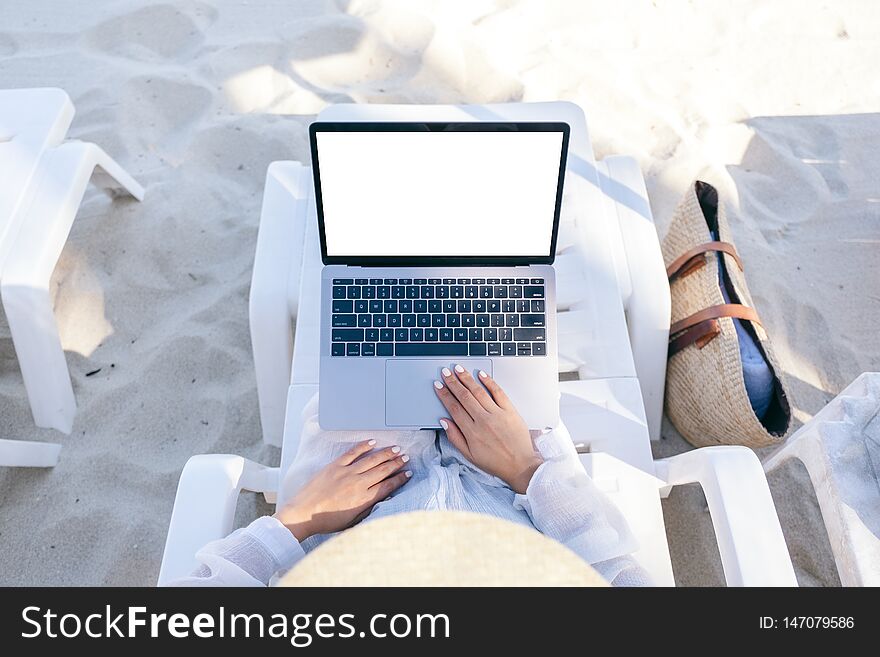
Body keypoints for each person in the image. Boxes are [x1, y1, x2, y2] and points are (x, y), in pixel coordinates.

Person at [169, 366, 651, 586]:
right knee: (490, 291)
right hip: (517, 489)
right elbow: (621, 577)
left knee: (376, 291)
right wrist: (527, 471)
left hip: (355, 490)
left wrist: (295, 521)